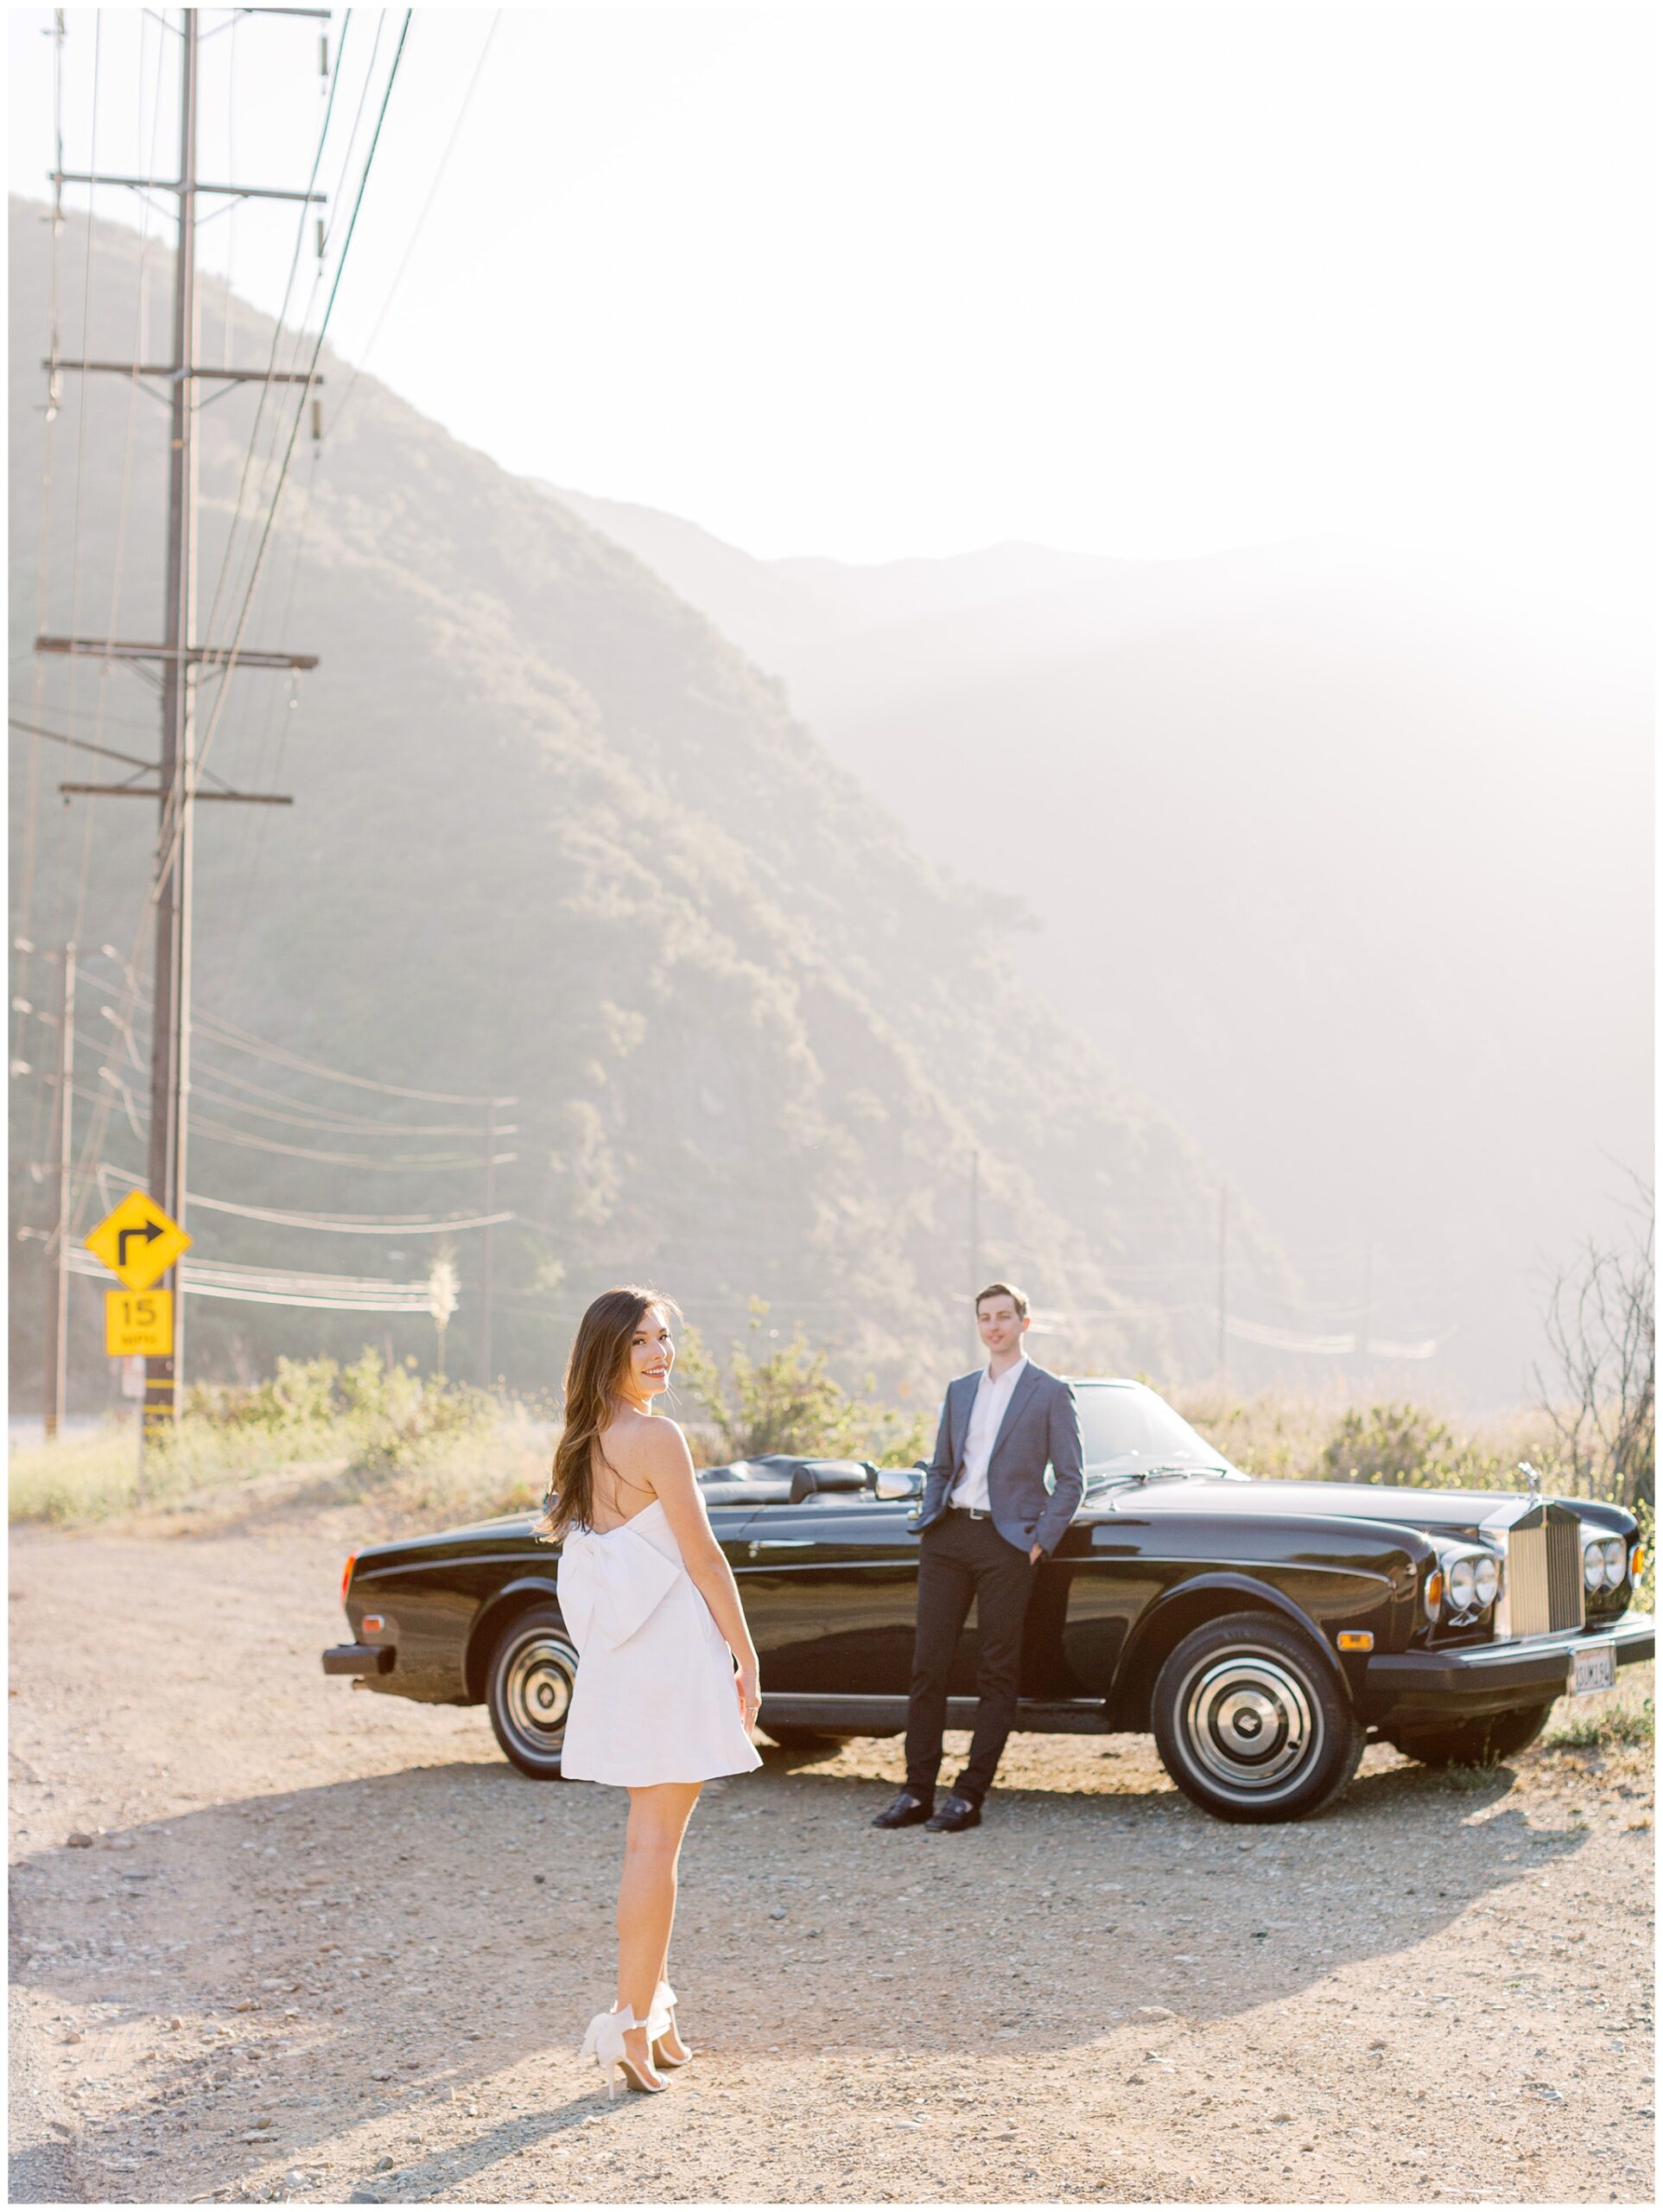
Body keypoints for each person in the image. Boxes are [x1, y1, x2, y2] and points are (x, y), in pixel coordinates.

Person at [530, 1286, 761, 2095]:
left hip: (625, 1656)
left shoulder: (584, 1437)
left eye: (664, 1337)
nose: (660, 1353)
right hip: (666, 1653)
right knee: (656, 1847)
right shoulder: (655, 1435)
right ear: (609, 1351)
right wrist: (746, 1655)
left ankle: (651, 2012)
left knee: (648, 1843)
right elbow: (703, 1558)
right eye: (641, 1342)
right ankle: (631, 2022)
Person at [872, 1281, 1085, 1834]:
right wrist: (928, 1517)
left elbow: (1071, 1479)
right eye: (985, 1318)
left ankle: (968, 1796)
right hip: (947, 1539)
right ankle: (916, 1792)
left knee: (996, 1670)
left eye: (1004, 1317)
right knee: (928, 1666)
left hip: (1007, 1544)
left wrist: (1041, 1539)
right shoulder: (960, 1389)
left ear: (1024, 1323)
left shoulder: (1049, 1392)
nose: (994, 1326)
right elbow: (943, 1464)